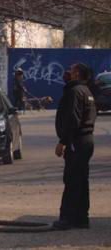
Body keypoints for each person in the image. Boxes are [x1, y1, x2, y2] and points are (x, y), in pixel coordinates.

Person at [52, 63, 97, 230]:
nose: (67, 72)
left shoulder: (75, 91)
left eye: (71, 70)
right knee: (81, 180)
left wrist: (63, 141)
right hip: (86, 140)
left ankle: (68, 219)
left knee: (72, 179)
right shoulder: (87, 92)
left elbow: (73, 119)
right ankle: (81, 217)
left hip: (76, 141)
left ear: (77, 74)